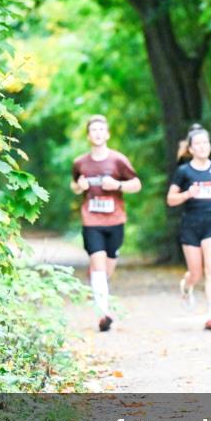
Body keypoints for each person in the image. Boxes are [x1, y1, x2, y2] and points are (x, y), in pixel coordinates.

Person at [71, 115, 142, 332]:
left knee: (106, 268)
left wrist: (117, 185)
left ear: (108, 134)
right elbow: (74, 185)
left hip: (115, 220)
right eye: (94, 130)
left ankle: (97, 284)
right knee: (99, 267)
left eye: (102, 129)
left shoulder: (118, 160)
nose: (98, 133)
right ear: (88, 135)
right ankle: (104, 313)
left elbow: (137, 184)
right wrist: (79, 186)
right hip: (91, 221)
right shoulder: (80, 163)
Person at [166, 124, 211, 331]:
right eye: (198, 144)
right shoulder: (184, 172)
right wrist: (187, 194)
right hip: (191, 226)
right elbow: (170, 199)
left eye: (206, 142)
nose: (203, 147)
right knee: (195, 273)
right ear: (191, 149)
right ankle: (187, 287)